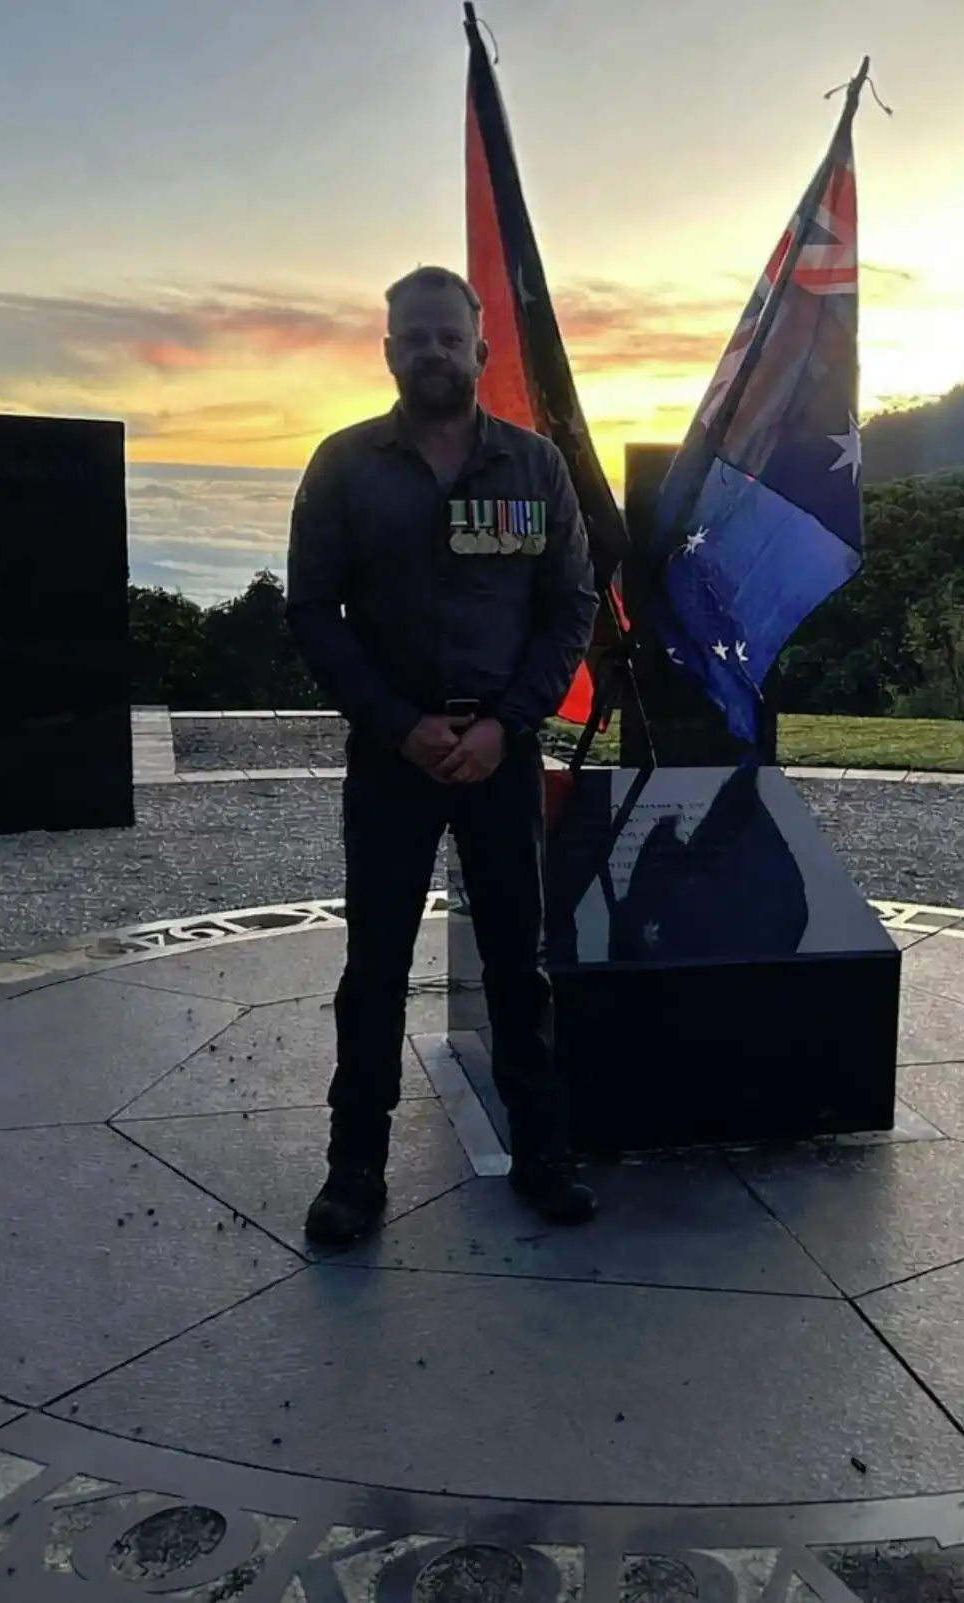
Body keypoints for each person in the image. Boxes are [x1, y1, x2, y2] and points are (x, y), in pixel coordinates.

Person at [284, 265, 600, 1245]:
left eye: (448, 337)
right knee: (374, 964)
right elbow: (313, 612)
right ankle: (354, 1167)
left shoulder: (535, 469)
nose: (432, 352)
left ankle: (542, 1153)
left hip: (502, 752)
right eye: (413, 337)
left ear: (479, 350)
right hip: (394, 755)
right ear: (388, 351)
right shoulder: (344, 465)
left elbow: (571, 605)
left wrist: (507, 724)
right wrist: (397, 724)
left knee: (518, 963)